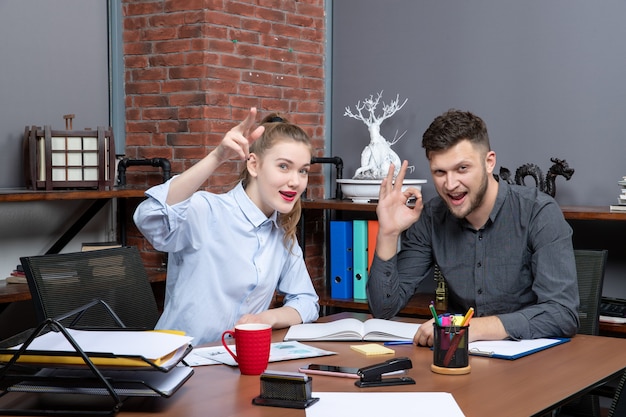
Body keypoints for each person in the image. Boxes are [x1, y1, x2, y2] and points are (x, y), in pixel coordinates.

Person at [367, 109, 579, 346]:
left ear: (489, 162)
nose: (450, 184)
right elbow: (384, 309)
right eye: (439, 172)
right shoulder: (432, 217)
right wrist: (388, 233)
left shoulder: (538, 212)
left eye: (462, 169)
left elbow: (562, 314)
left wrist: (471, 327)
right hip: (458, 361)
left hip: (531, 365)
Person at [133, 108, 319, 345]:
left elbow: (306, 301)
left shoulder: (283, 233)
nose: (295, 181)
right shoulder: (207, 210)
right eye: (284, 166)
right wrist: (218, 156)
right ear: (254, 165)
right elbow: (149, 216)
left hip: (235, 363)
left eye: (303, 170)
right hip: (180, 363)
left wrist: (266, 318)